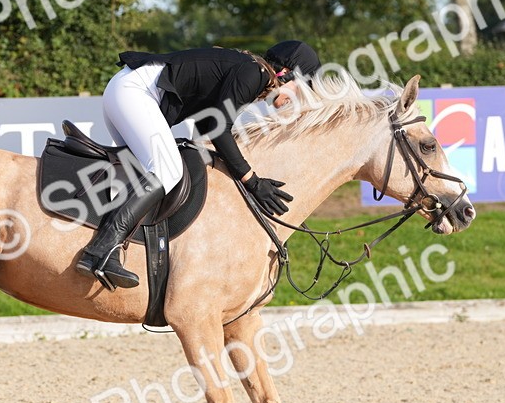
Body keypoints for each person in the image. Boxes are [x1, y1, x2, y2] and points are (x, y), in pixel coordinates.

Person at [75, 40, 321, 289]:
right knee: (167, 170)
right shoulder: (254, 72)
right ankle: (101, 250)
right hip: (135, 92)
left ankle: (112, 248)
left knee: (145, 173)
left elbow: (206, 125)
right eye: (304, 86)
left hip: (127, 90)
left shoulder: (251, 72)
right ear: (287, 73)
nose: (301, 97)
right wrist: (252, 180)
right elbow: (218, 129)